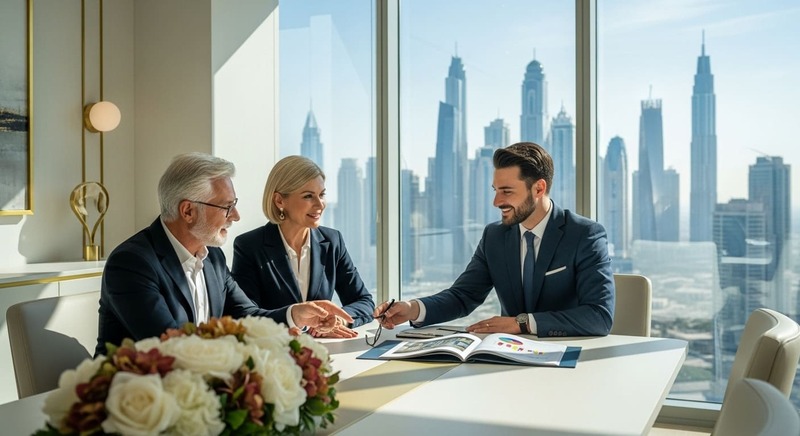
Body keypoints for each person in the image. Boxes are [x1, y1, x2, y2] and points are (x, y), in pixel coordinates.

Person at [95, 152, 352, 356]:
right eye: (227, 207)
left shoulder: (213, 260)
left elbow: (247, 315)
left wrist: (296, 314)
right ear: (188, 211)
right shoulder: (132, 264)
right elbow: (170, 346)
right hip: (131, 401)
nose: (236, 216)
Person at [374, 142, 615, 338]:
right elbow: (463, 296)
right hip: (507, 358)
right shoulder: (495, 236)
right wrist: (412, 309)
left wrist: (522, 323)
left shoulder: (585, 235)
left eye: (507, 191)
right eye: (495, 190)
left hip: (569, 360)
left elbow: (599, 316)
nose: (497, 202)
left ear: (539, 188)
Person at [232, 155, 374, 338]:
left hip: (323, 354)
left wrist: (339, 319)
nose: (320, 204)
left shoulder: (332, 241)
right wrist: (298, 321)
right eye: (308, 196)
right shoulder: (249, 246)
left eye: (321, 195)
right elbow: (246, 316)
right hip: (275, 354)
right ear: (279, 201)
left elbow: (364, 301)